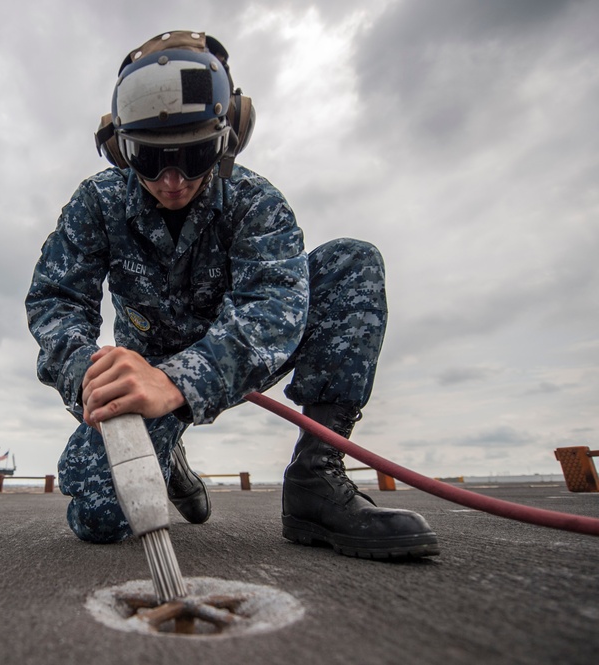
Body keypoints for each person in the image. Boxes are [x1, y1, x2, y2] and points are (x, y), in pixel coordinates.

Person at [25, 31, 439, 559]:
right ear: (120, 149)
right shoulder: (97, 203)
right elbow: (55, 299)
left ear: (228, 138)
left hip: (231, 355)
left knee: (351, 263)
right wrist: (90, 373)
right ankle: (167, 454)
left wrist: (176, 382)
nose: (172, 180)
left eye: (195, 155)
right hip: (146, 375)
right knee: (99, 515)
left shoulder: (256, 204)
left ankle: (316, 477)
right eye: (151, 161)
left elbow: (273, 307)